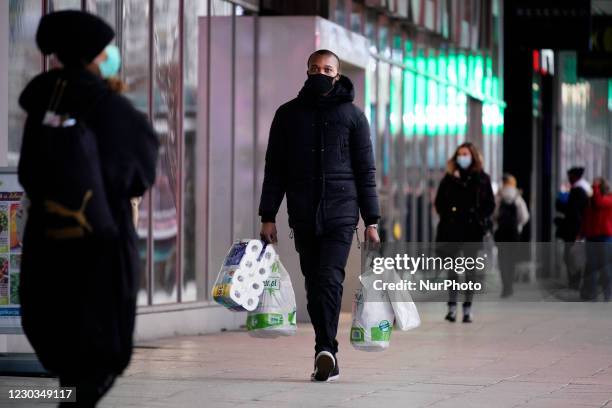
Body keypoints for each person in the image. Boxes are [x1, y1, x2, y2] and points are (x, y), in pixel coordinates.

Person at [18, 11, 159, 406]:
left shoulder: (42, 101)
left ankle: (70, 394)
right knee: (98, 347)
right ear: (95, 54)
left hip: (47, 237)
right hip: (101, 239)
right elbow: (140, 171)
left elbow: (31, 170)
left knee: (61, 335)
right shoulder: (108, 105)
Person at [258, 49, 381, 382]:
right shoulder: (287, 115)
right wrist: (267, 215)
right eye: (315, 68)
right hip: (303, 214)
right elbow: (275, 170)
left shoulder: (354, 117)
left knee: (329, 276)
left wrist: (371, 220)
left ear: (337, 75)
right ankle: (325, 350)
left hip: (342, 214)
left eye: (328, 69)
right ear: (307, 71)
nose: (321, 74)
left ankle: (326, 349)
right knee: (314, 284)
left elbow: (365, 171)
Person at [434, 142, 494, 323]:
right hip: (452, 229)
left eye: (465, 154)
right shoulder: (449, 178)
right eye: (459, 154)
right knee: (452, 270)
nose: (462, 157)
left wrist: (480, 217)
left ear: (473, 156)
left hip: (472, 230)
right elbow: (439, 203)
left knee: (470, 270)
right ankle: (452, 307)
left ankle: (467, 308)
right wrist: (448, 215)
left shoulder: (482, 178)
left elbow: (490, 204)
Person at [493, 173, 529, 298]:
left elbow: (493, 215)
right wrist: (518, 226)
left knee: (502, 259)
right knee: (512, 260)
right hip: (513, 233)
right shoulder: (517, 197)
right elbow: (524, 217)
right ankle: (510, 286)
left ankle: (505, 286)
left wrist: (497, 223)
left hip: (501, 233)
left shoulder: (499, 196)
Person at [555, 167, 592, 290]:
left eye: (570, 176)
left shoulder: (577, 191)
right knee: (573, 256)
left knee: (571, 256)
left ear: (574, 176)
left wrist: (560, 206)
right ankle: (574, 282)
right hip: (578, 230)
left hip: (574, 231)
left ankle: (574, 283)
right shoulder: (582, 190)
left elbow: (573, 212)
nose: (568, 178)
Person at [579, 178, 612, 301]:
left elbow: (599, 203)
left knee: (606, 268)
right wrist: (581, 234)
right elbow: (586, 219)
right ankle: (592, 294)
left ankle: (607, 294)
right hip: (591, 238)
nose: (593, 189)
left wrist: (596, 188)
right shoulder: (590, 203)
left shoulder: (609, 200)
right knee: (591, 267)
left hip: (605, 238)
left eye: (596, 187)